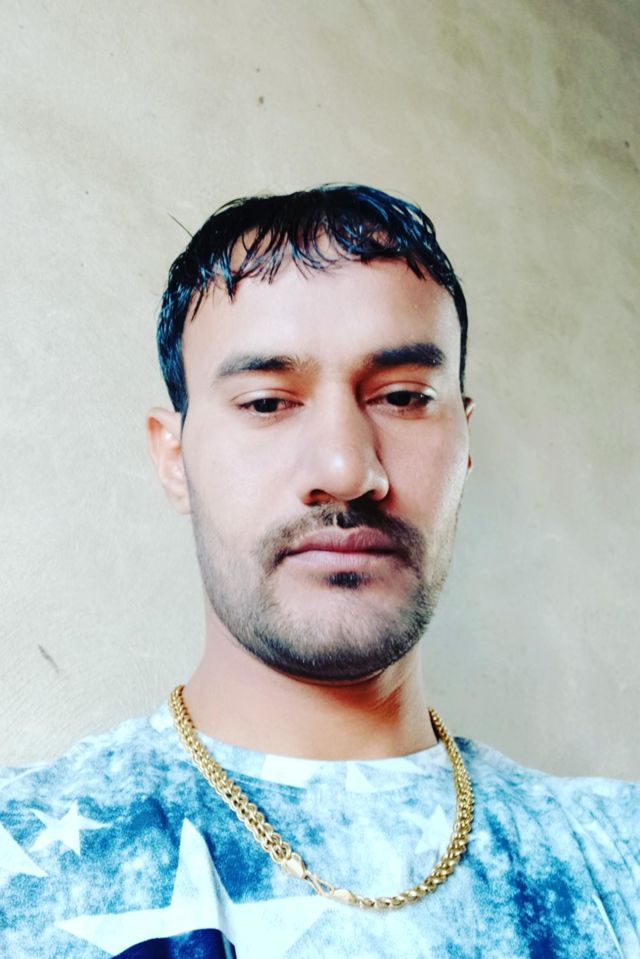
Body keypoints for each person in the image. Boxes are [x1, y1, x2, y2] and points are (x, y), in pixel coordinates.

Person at [1, 184, 637, 958]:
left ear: (465, 444)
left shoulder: (621, 855)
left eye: (403, 397)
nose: (346, 469)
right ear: (173, 459)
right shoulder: (20, 857)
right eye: (268, 403)